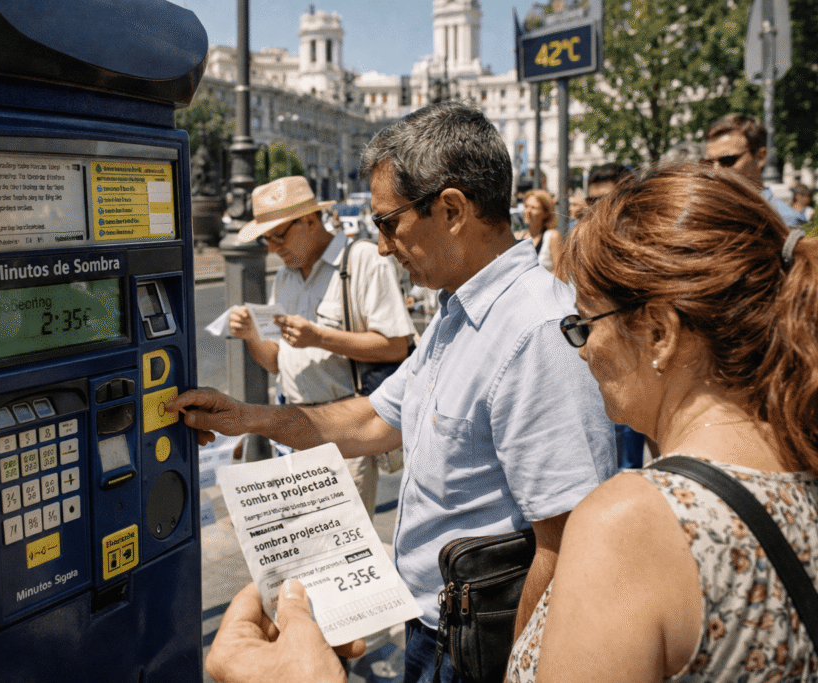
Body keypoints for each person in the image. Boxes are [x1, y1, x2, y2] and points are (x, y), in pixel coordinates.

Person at [172, 102, 617, 683]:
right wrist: (250, 417)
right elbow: (372, 420)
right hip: (433, 627)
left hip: (483, 650)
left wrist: (519, 669)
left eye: (388, 223)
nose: (382, 246)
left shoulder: (534, 331)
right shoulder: (460, 313)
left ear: (452, 209)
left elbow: (568, 544)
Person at [506, 163, 818, 682]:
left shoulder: (633, 523)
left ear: (658, 332)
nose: (580, 352)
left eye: (583, 323)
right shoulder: (800, 455)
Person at [228, 175, 415, 518]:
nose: (272, 248)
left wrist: (320, 337)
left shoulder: (362, 261)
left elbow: (395, 346)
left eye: (278, 236)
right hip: (292, 428)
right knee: (303, 546)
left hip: (345, 433)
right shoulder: (286, 275)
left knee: (344, 551)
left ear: (310, 221)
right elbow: (274, 362)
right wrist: (251, 336)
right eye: (266, 240)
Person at [704, 113, 807, 227]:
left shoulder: (786, 222)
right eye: (708, 163)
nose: (715, 170)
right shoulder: (707, 217)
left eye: (728, 160)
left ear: (760, 157)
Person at [518, 188, 562, 273]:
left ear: (546, 213)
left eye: (534, 208)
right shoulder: (518, 236)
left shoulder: (552, 237)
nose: (528, 211)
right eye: (526, 206)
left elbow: (560, 273)